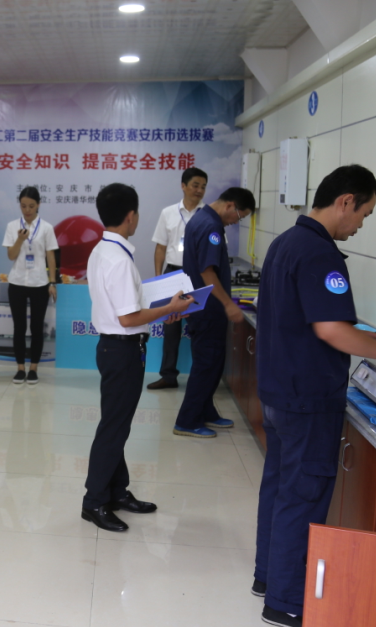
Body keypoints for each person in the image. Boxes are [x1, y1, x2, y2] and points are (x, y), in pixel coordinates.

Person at [252, 165, 376, 627]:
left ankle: (268, 578)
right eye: (364, 213)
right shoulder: (320, 253)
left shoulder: (284, 243)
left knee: (280, 489)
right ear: (346, 201)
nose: (361, 224)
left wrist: (365, 339)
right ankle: (286, 601)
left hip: (278, 393)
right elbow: (331, 329)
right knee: (303, 496)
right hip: (307, 400)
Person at [81, 183, 193, 532]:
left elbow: (129, 308)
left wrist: (161, 310)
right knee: (113, 428)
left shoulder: (104, 250)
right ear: (132, 216)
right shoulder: (117, 258)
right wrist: (169, 309)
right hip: (121, 350)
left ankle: (117, 491)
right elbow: (128, 318)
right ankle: (94, 502)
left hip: (115, 348)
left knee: (118, 425)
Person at [172, 187, 256, 438]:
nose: (236, 222)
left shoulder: (200, 218)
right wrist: (228, 304)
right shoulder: (212, 227)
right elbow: (207, 271)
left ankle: (206, 411)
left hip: (202, 305)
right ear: (230, 205)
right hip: (208, 308)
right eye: (239, 216)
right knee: (207, 365)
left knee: (211, 363)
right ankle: (187, 421)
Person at [148, 167, 207, 390]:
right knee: (171, 327)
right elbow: (160, 248)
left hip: (198, 274)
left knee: (199, 327)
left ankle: (200, 379)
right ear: (183, 186)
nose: (199, 190)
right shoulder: (168, 213)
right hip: (172, 273)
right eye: (195, 185)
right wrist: (158, 278)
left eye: (203, 187)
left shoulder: (208, 214)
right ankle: (168, 376)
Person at [2, 186, 59, 384]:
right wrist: (20, 239)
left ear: (39, 204)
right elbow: (11, 255)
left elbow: (51, 257)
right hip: (17, 282)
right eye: (23, 206)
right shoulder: (12, 226)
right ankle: (20, 368)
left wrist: (52, 282)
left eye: (31, 206)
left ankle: (33, 368)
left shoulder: (47, 228)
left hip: (39, 283)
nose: (27, 210)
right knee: (19, 327)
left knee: (36, 327)